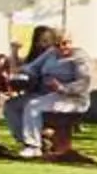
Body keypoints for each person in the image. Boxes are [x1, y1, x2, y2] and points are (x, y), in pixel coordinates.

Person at [6, 25, 89, 156]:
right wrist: (16, 68)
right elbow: (32, 68)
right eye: (57, 45)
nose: (62, 48)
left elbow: (84, 83)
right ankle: (26, 140)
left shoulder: (79, 57)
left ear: (72, 42)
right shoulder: (51, 53)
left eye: (65, 43)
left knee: (33, 106)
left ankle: (33, 146)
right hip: (47, 95)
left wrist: (62, 88)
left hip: (72, 99)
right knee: (12, 105)